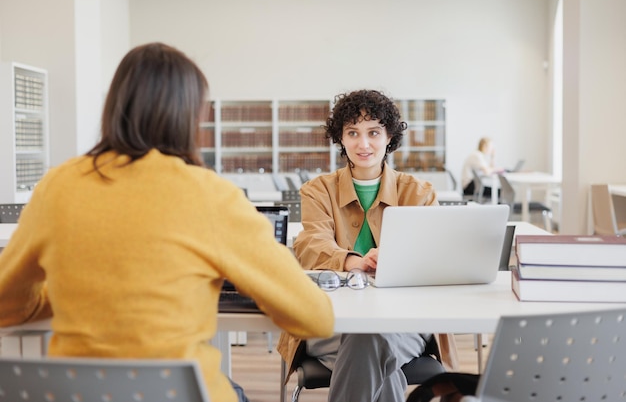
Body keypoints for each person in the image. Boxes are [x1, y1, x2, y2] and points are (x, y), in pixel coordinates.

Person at [0, 42, 334, 402]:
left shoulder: (57, 186)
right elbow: (314, 318)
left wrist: (82, 289)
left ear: (115, 105)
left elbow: (7, 304)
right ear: (189, 116)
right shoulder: (210, 195)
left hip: (79, 393)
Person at [277, 89, 458, 402]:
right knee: (375, 351)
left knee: (370, 339)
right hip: (329, 322)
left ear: (389, 136)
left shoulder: (419, 192)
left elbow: (431, 258)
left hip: (404, 324)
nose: (363, 144)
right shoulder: (318, 190)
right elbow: (310, 244)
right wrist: (351, 261)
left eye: (373, 132)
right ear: (341, 139)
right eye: (352, 133)